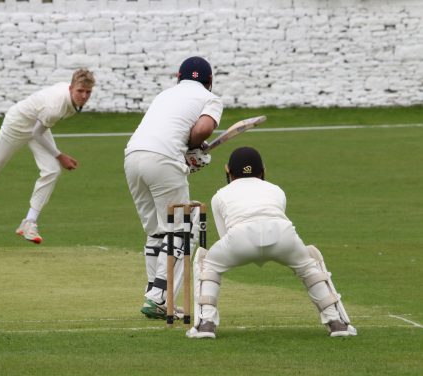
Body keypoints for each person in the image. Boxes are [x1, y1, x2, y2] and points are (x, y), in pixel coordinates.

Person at [187, 147, 357, 338]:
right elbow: (276, 217)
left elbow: (224, 235)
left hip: (240, 238)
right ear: (263, 170)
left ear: (228, 170)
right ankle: (337, 322)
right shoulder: (276, 190)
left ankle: (206, 324)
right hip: (283, 235)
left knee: (207, 261)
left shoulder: (219, 195)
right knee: (310, 264)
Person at [124, 56, 223, 319]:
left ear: (178, 77)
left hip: (132, 157)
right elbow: (202, 128)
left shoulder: (165, 95)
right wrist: (191, 147)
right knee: (181, 232)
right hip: (164, 159)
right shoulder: (209, 98)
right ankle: (160, 299)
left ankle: (154, 293)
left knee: (157, 231)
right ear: (209, 81)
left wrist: (186, 149)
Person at [0, 69, 95, 244]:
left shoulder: (68, 99)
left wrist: (56, 157)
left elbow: (39, 130)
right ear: (71, 87)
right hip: (18, 123)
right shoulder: (55, 107)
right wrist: (60, 155)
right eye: (80, 91)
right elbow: (37, 134)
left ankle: (29, 222)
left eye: (88, 92)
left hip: (38, 124)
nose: (84, 96)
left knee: (52, 171)